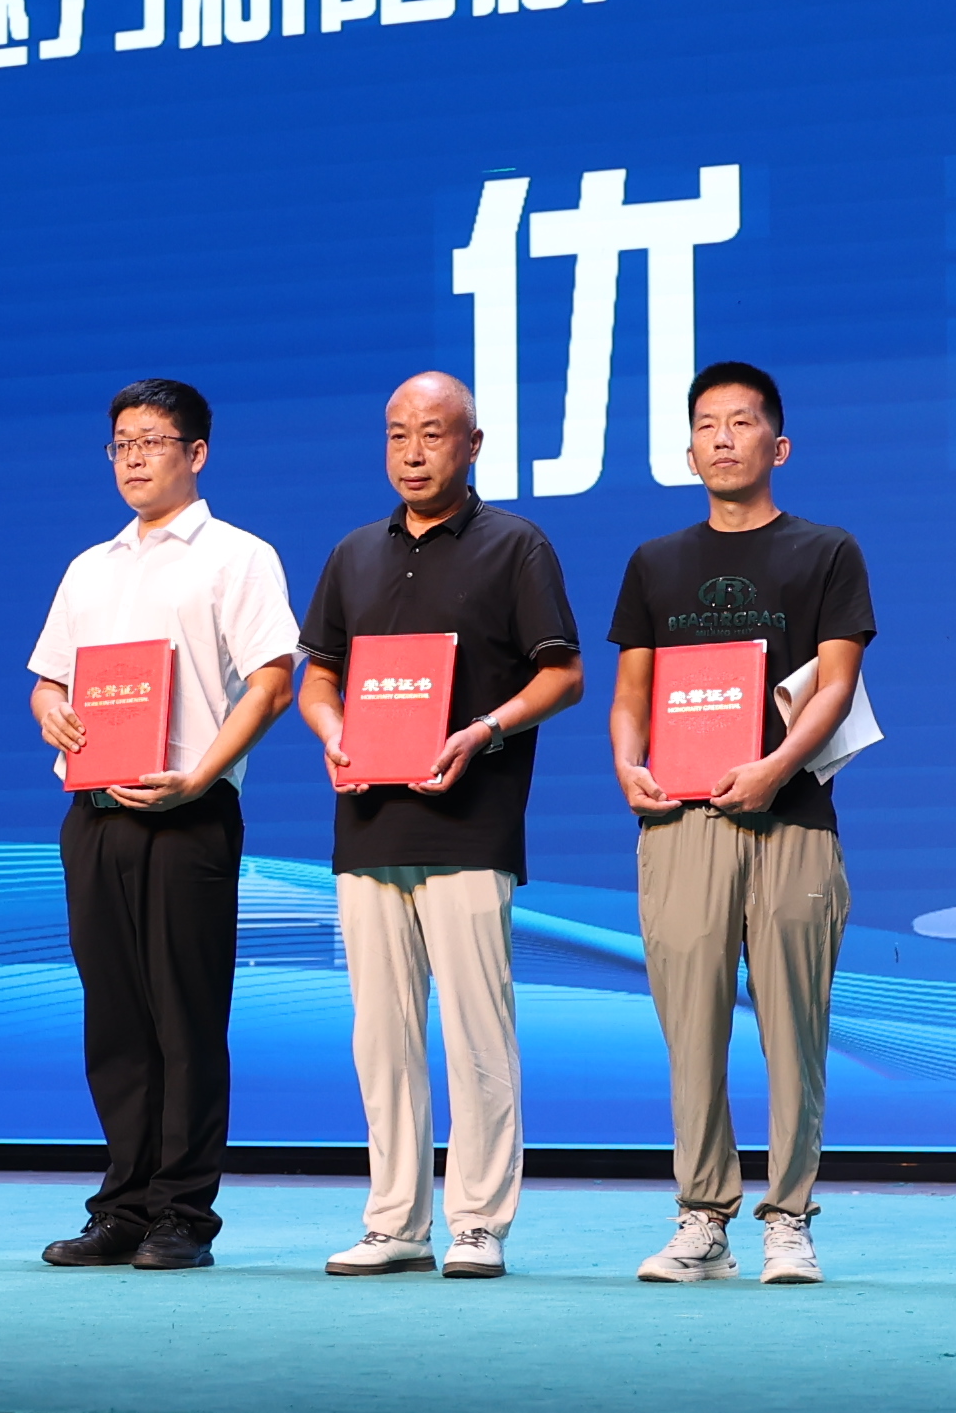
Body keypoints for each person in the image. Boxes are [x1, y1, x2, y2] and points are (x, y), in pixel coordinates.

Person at [295, 372, 585, 1279]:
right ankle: (394, 1221)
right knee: (380, 1036)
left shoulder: (516, 546)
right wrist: (333, 733)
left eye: (432, 434)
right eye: (397, 435)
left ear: (473, 444)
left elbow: (563, 675)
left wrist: (483, 730)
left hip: (470, 825)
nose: (412, 453)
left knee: (477, 1033)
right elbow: (319, 677)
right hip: (368, 825)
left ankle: (479, 1222)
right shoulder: (353, 553)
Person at [608, 362, 874, 1287]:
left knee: (795, 1026)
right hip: (681, 823)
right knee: (691, 1026)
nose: (723, 438)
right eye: (707, 426)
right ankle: (703, 1216)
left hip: (792, 816)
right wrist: (628, 764)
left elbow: (836, 683)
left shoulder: (826, 550)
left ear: (779, 445)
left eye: (742, 422)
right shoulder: (655, 563)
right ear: (689, 452)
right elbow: (632, 694)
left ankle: (790, 1218)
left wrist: (773, 768)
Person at [29, 380, 300, 1272]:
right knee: (113, 1020)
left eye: (152, 440)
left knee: (185, 1019)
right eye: (121, 443)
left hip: (188, 815)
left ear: (197, 453)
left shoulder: (237, 557)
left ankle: (183, 1213)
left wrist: (202, 775)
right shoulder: (90, 566)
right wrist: (52, 711)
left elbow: (273, 683)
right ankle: (123, 1207)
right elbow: (49, 682)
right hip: (94, 815)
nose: (134, 458)